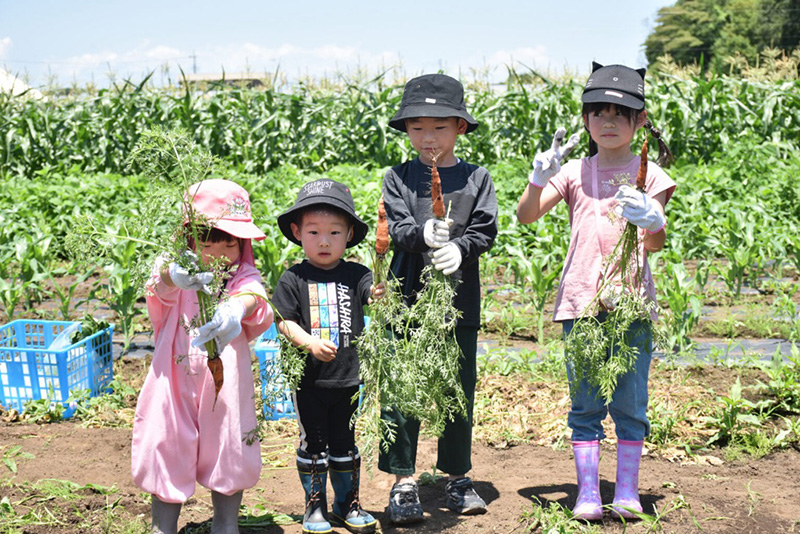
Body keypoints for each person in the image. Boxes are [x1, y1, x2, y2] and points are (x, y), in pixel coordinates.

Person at [516, 62, 676, 521]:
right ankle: (588, 492)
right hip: (581, 302)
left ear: (640, 121)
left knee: (629, 401)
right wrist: (538, 178)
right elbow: (528, 216)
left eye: (621, 114)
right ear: (586, 120)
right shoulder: (572, 171)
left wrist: (654, 219)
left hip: (631, 304)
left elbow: (654, 243)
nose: (609, 122)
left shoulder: (651, 178)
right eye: (599, 113)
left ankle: (626, 490)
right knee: (585, 401)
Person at [380, 73, 498, 524]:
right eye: (417, 128)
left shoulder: (476, 178)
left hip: (458, 304)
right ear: (407, 131)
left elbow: (485, 228)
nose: (428, 138)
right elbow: (397, 224)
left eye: (439, 127)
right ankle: (403, 480)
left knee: (456, 390)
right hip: (407, 302)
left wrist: (461, 247)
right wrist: (419, 233)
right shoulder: (398, 177)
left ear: (460, 128)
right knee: (402, 390)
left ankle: (457, 476)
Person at [131, 179, 273, 534]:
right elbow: (159, 279)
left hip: (225, 387)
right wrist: (174, 276)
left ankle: (226, 524)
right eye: (215, 240)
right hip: (173, 382)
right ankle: (162, 526)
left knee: (229, 446)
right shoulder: (178, 273)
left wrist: (235, 309)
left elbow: (256, 296)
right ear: (190, 238)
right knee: (166, 444)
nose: (226, 252)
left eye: (233, 242)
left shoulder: (241, 277)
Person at [272, 178, 384, 534]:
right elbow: (283, 322)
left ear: (349, 234)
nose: (324, 241)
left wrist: (380, 291)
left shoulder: (356, 274)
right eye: (315, 232)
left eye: (335, 233)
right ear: (297, 232)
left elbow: (372, 292)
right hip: (309, 381)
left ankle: (347, 504)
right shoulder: (294, 278)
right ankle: (314, 506)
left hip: (349, 378)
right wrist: (309, 343)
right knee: (313, 444)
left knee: (345, 443)